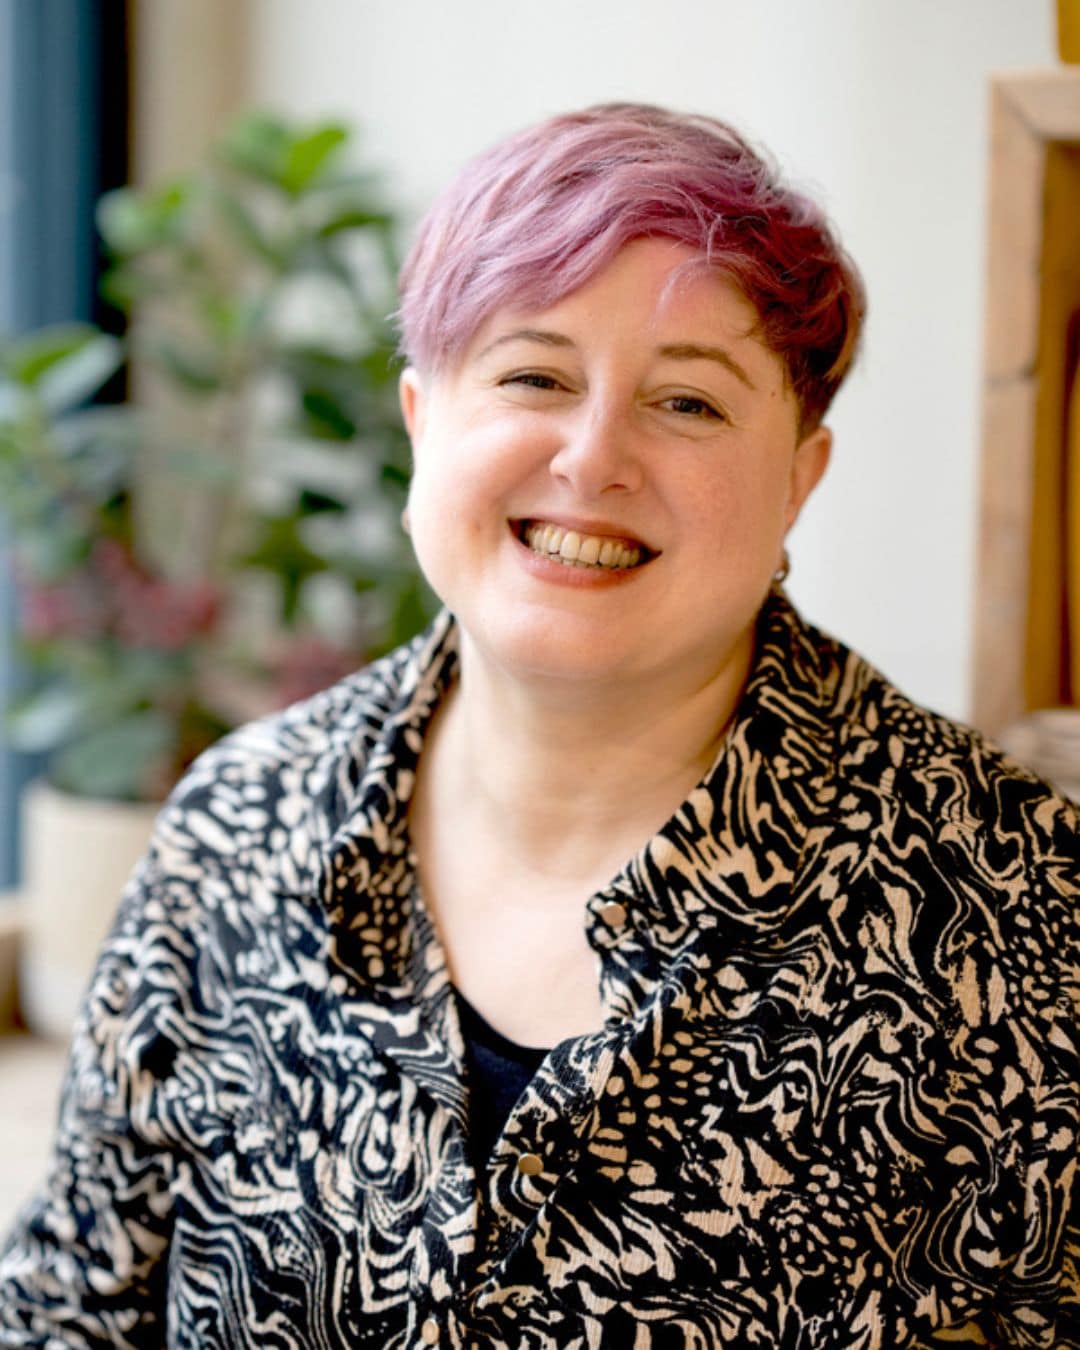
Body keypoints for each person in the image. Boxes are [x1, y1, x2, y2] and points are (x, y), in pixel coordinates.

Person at [0, 102, 1076, 1349]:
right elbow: (68, 1314)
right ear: (421, 422)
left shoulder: (1005, 897)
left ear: (800, 475)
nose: (593, 455)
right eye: (534, 376)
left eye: (688, 404)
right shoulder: (240, 823)